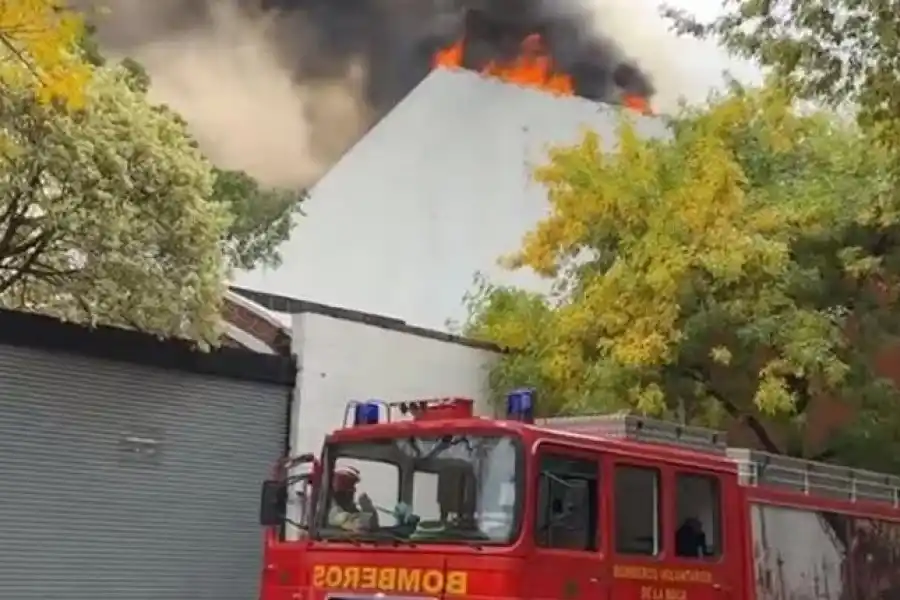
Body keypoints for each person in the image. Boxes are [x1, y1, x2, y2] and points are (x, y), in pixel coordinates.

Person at [327, 465, 379, 532]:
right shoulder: (334, 512)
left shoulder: (348, 508)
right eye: (351, 486)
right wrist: (368, 508)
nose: (354, 490)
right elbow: (361, 525)